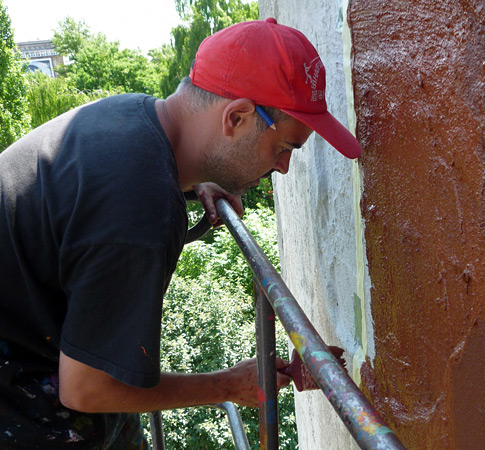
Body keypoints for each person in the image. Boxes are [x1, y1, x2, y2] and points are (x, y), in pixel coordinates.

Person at [0, 17, 361, 449]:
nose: (282, 167)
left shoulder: (133, 116)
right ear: (238, 117)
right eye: (283, 147)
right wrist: (226, 386)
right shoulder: (139, 207)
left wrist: (191, 181)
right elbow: (85, 389)